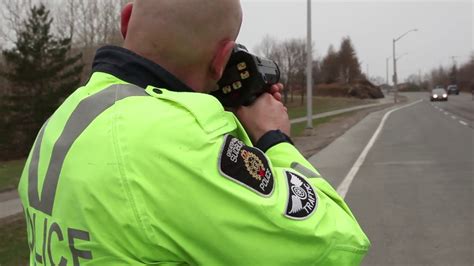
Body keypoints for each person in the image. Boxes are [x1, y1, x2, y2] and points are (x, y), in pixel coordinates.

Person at [18, 0, 370, 265]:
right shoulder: (177, 141)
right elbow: (337, 244)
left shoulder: (65, 117)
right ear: (223, 58)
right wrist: (272, 139)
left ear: (126, 20)